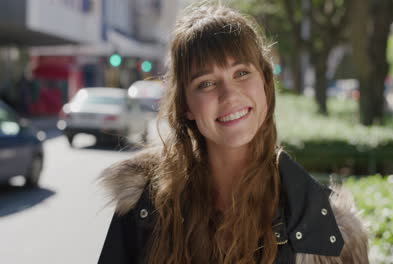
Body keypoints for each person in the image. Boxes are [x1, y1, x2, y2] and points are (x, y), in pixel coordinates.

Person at [98, 3, 368, 264]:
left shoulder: (323, 228)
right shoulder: (145, 206)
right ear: (185, 106)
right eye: (206, 83)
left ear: (264, 81)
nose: (229, 95)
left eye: (241, 73)